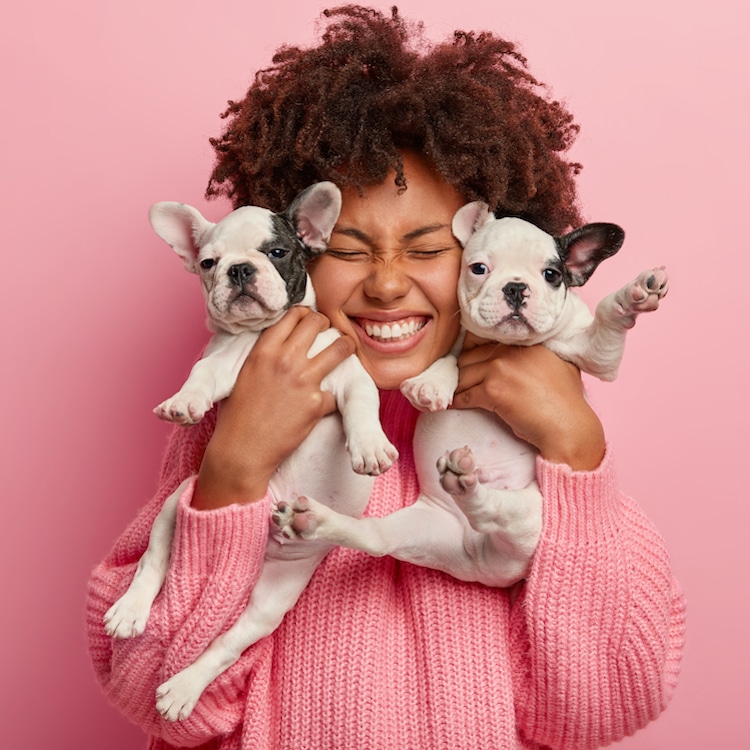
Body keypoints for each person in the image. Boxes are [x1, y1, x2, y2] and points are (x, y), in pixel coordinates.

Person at [86, 6, 686, 749]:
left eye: (428, 247)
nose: (388, 284)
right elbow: (153, 695)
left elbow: (611, 700)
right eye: (350, 248)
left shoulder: (534, 435)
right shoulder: (231, 411)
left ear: (485, 246)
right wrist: (236, 464)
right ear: (299, 245)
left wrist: (576, 448)